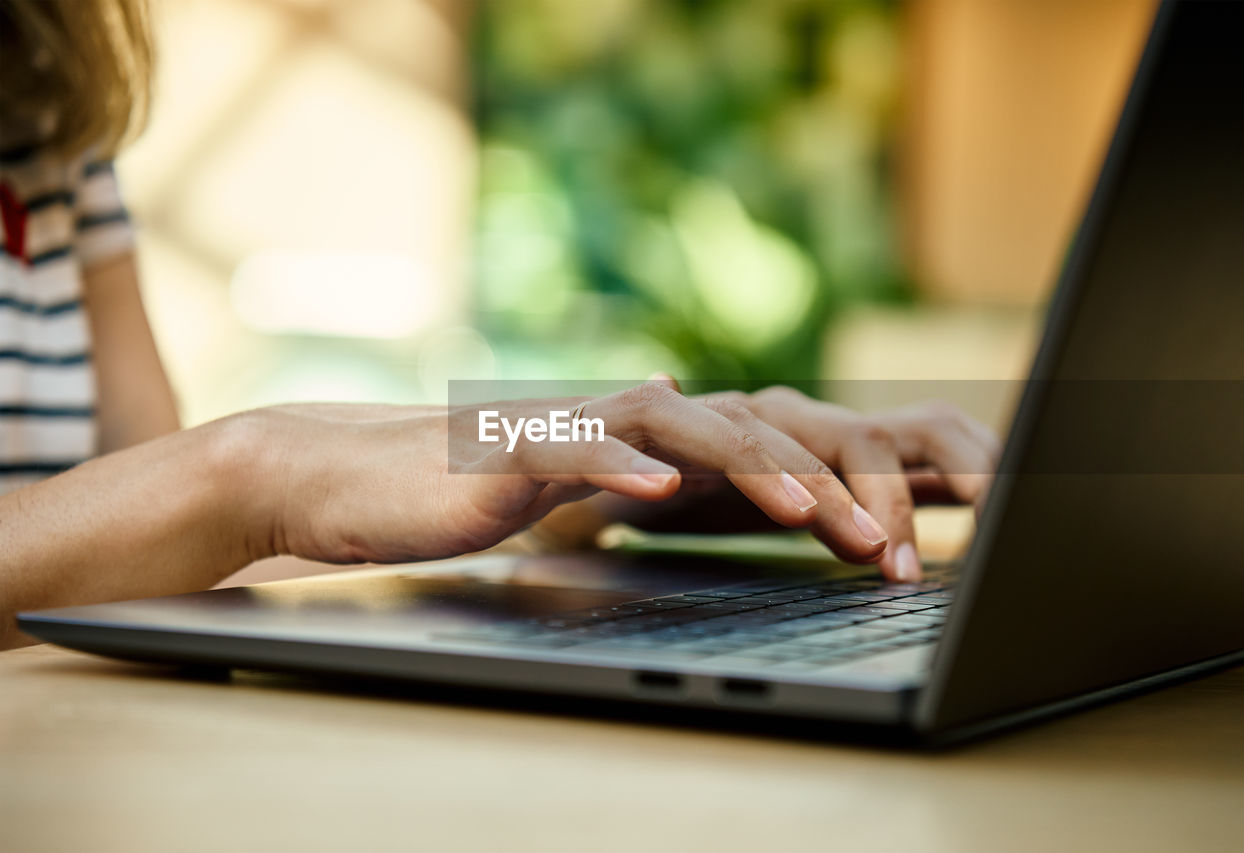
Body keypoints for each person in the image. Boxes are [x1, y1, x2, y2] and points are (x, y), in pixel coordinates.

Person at [0, 0, 998, 650]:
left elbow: (154, 569)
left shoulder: (50, 134)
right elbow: (202, 504)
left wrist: (574, 485)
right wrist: (250, 471)